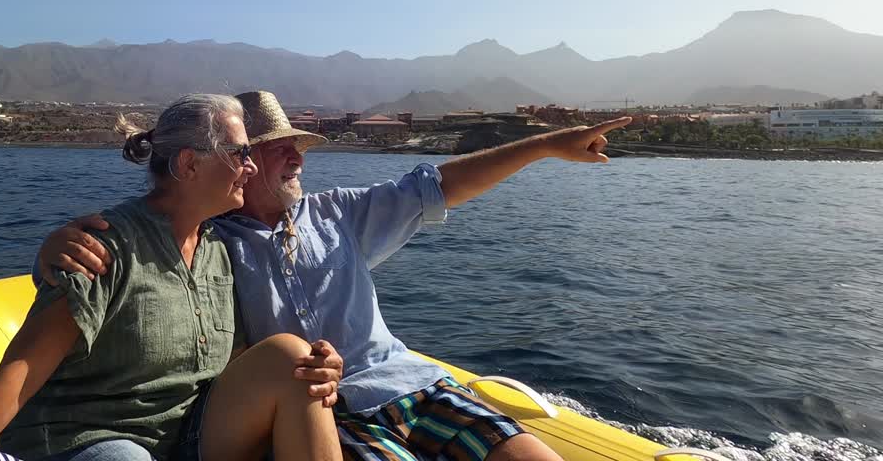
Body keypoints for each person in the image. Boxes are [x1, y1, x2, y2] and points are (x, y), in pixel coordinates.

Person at [37, 90, 633, 461]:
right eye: (276, 148)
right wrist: (51, 251)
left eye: (299, 144)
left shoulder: (339, 213)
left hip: (414, 387)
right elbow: (137, 246)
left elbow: (441, 185)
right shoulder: (211, 244)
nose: (297, 155)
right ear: (238, 164)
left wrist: (546, 145)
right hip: (330, 411)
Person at [0, 94, 345, 461]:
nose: (250, 168)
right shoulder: (102, 247)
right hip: (91, 437)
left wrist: (318, 367)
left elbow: (227, 358)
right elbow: (18, 375)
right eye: (239, 154)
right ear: (188, 165)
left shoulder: (218, 246)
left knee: (295, 360)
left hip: (186, 434)